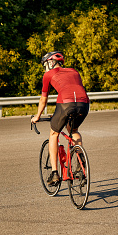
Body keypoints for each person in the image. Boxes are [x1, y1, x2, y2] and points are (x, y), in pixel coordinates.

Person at [31, 51, 90, 185]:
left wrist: (37, 116)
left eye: (45, 64)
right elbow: (73, 89)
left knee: (54, 133)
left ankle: (55, 174)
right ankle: (81, 164)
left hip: (65, 104)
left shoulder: (48, 75)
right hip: (84, 104)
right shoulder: (74, 71)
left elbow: (43, 99)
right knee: (73, 129)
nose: (45, 68)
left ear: (51, 62)